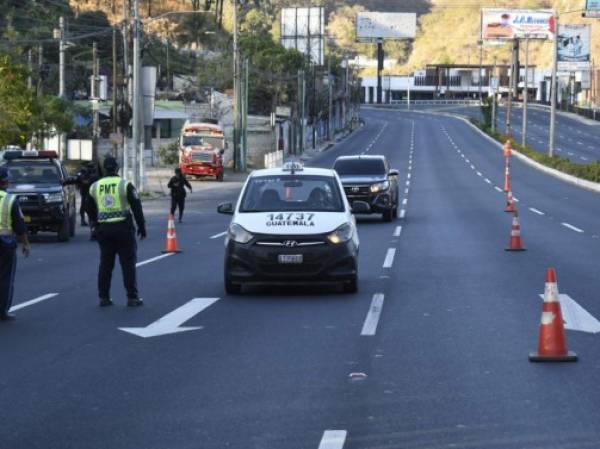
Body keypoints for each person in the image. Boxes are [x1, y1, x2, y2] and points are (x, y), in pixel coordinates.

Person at [87, 156, 146, 307]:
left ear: (104, 168)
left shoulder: (95, 186)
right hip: (123, 229)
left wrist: (94, 224)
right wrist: (142, 227)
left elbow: (88, 207)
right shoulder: (125, 185)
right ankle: (132, 297)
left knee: (106, 265)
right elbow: (136, 207)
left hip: (104, 230)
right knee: (127, 264)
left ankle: (103, 297)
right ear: (117, 168)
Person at [0, 166, 31, 321]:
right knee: (5, 277)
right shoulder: (10, 200)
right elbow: (19, 225)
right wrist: (25, 244)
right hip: (5, 243)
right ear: (6, 182)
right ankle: (2, 311)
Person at [76, 162, 99, 227]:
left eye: (91, 167)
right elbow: (79, 180)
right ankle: (83, 220)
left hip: (92, 191)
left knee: (93, 206)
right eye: (89, 167)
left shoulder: (94, 172)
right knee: (84, 206)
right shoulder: (83, 172)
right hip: (85, 191)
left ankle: (91, 219)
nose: (90, 169)